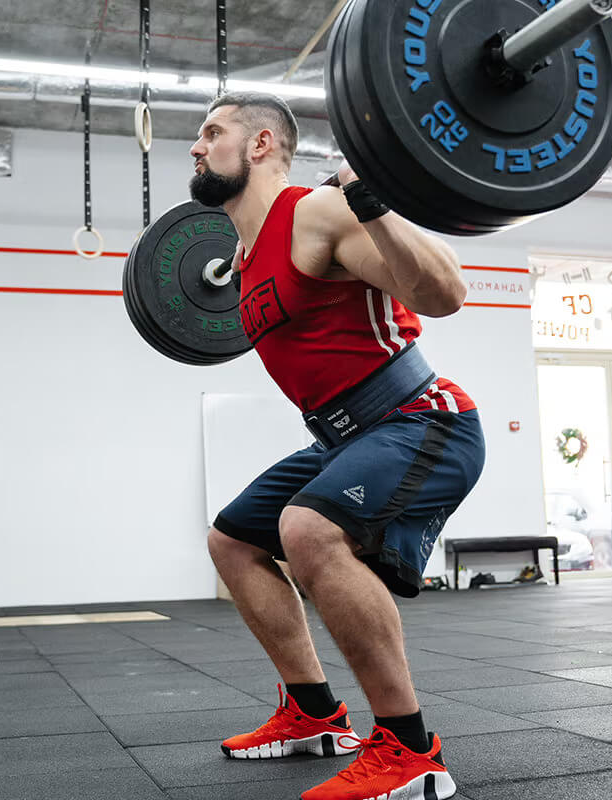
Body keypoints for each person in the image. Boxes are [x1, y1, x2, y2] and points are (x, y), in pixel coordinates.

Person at [190, 92, 484, 800]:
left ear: (260, 144)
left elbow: (448, 293)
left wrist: (373, 202)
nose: (196, 149)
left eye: (210, 133)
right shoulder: (241, 252)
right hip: (343, 437)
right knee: (232, 538)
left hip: (425, 420)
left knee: (308, 528)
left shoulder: (314, 213)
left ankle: (412, 752)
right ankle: (314, 714)